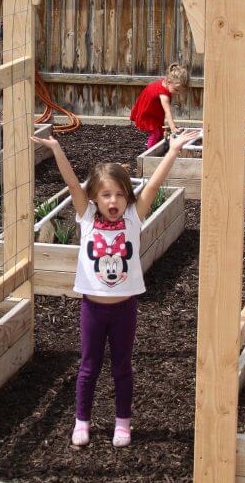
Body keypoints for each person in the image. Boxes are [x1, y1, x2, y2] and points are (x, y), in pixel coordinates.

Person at [31, 129, 195, 449]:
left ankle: (123, 423)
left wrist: (173, 150)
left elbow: (154, 183)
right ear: (94, 198)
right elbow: (71, 183)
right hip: (92, 309)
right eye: (106, 195)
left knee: (122, 367)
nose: (113, 201)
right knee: (88, 367)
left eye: (120, 194)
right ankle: (82, 421)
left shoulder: (134, 216)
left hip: (124, 309)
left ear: (128, 198)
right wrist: (56, 149)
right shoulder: (86, 216)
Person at [130, 64, 190, 149]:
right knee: (155, 133)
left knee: (159, 130)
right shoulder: (163, 95)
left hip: (153, 110)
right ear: (169, 82)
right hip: (147, 112)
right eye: (176, 90)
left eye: (180, 91)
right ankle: (150, 151)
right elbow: (167, 112)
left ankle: (158, 146)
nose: (177, 93)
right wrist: (173, 127)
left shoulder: (165, 83)